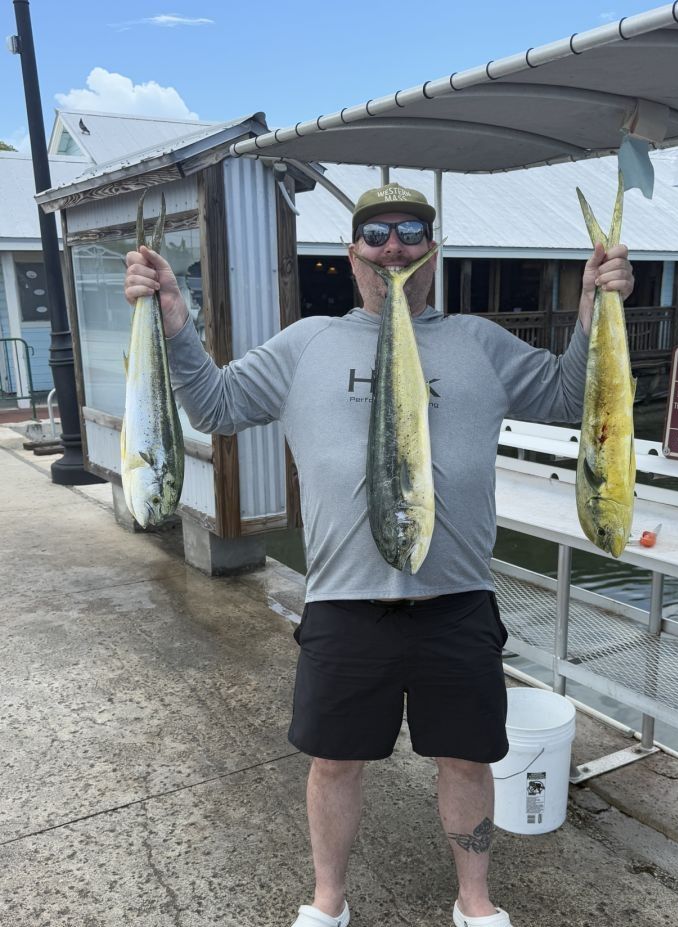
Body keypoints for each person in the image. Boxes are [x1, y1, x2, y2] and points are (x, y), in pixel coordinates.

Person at [124, 182, 634, 927]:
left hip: (456, 598)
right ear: (351, 252)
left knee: (466, 759)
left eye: (411, 231)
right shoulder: (307, 344)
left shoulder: (478, 342)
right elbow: (217, 405)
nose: (392, 246)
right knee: (333, 762)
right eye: (375, 234)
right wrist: (173, 322)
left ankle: (475, 899)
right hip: (342, 602)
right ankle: (328, 901)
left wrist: (595, 300)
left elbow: (567, 395)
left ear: (434, 247)